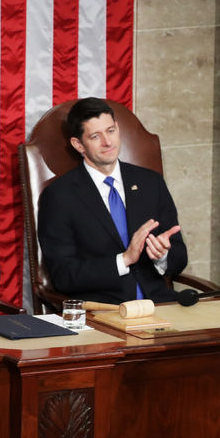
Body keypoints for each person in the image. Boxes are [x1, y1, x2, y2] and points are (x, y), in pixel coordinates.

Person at [37, 97, 187, 304]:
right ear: (78, 144)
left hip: (159, 306)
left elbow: (179, 256)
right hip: (103, 311)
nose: (108, 142)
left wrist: (162, 256)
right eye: (95, 136)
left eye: (110, 131)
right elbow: (64, 275)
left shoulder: (151, 183)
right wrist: (124, 260)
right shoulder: (59, 197)